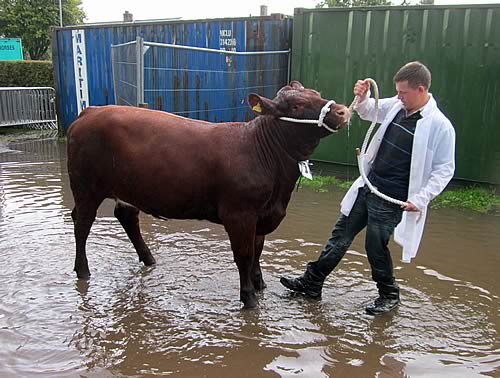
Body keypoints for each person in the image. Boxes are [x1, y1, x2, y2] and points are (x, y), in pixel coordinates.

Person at [280, 61, 456, 315]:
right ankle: (312, 282)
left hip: (392, 197)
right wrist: (362, 97)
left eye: (403, 93)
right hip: (369, 185)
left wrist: (422, 198)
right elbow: (367, 111)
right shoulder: (397, 106)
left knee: (375, 246)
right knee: (339, 236)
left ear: (421, 89)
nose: (398, 97)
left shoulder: (440, 126)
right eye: (397, 92)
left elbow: (444, 169)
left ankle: (389, 294)